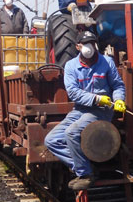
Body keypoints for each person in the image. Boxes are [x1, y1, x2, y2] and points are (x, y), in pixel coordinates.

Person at [44, 31, 126, 190]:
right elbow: (73, 93)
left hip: (101, 111)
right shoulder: (71, 66)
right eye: (85, 43)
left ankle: (85, 174)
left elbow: (117, 85)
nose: (89, 47)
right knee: (51, 140)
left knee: (71, 133)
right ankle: (85, 168)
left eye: (92, 42)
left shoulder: (106, 62)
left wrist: (119, 99)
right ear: (77, 46)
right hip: (80, 109)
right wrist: (95, 98)